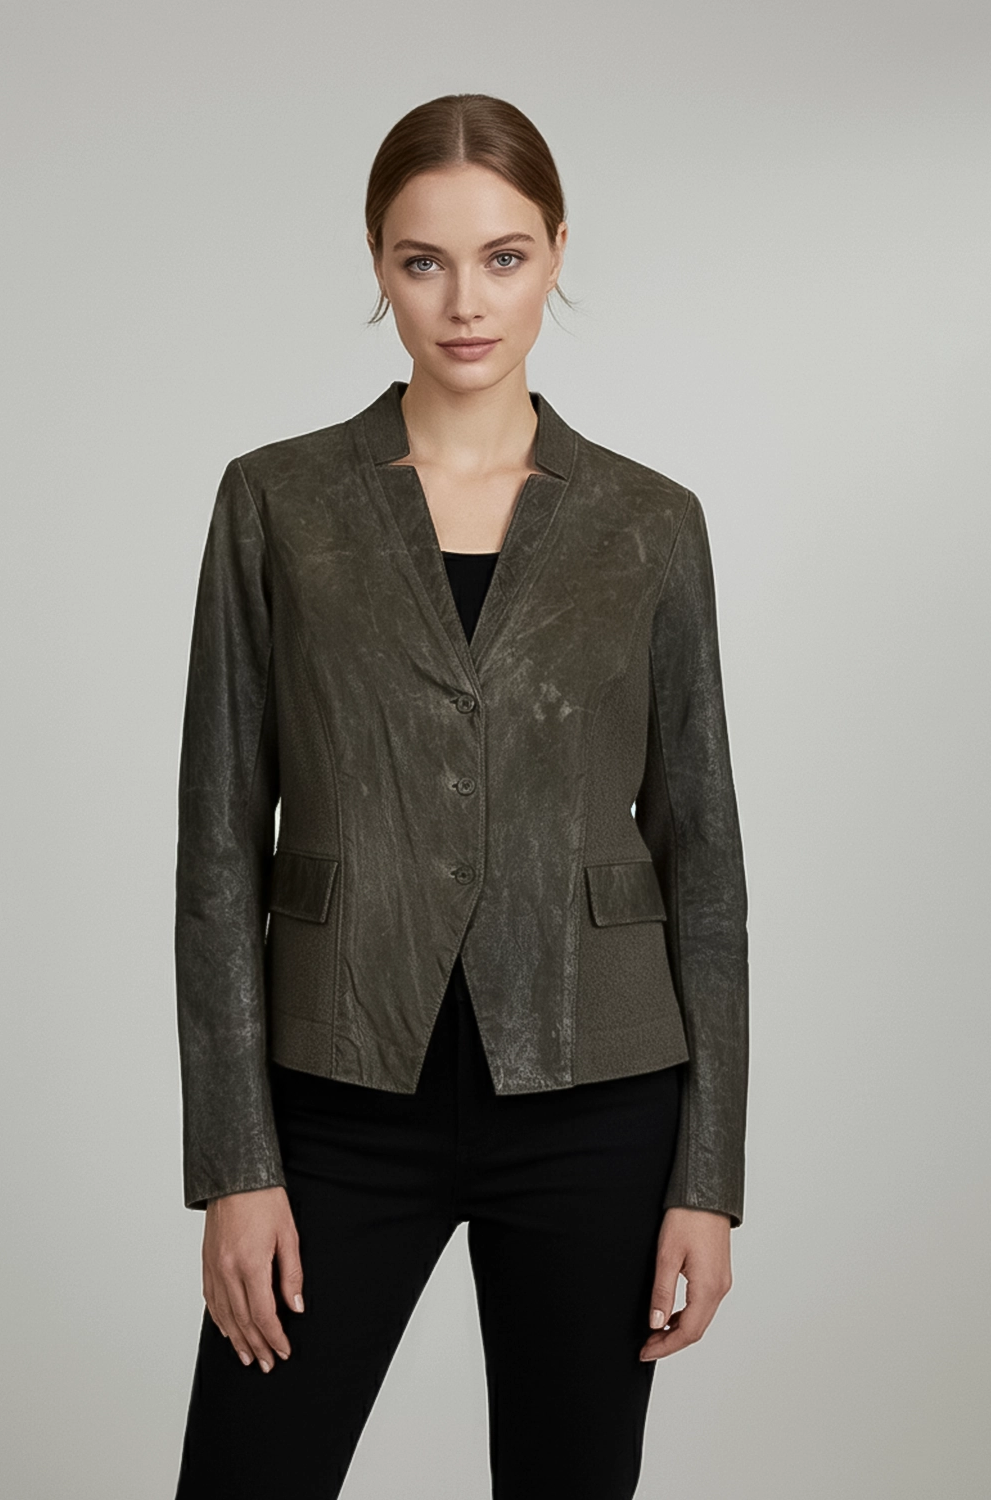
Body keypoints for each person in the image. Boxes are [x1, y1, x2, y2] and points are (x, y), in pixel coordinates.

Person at [172, 93, 748, 1499]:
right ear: (378, 263)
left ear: (557, 253)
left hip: (600, 1094)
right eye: (422, 260)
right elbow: (219, 850)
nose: (465, 301)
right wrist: (236, 1163)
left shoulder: (649, 523)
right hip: (337, 1089)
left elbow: (704, 859)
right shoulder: (277, 502)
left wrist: (707, 1178)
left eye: (503, 256)